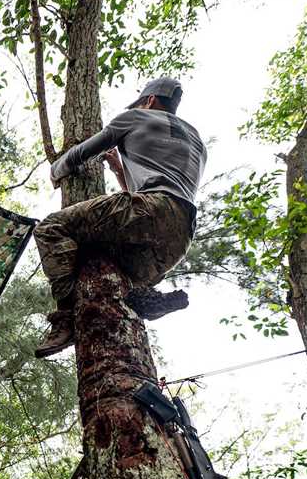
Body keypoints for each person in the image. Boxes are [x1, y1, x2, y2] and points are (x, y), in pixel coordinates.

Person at [33, 77, 206, 358]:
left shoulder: (134, 117)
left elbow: (83, 152)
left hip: (151, 211)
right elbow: (160, 189)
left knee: (50, 228)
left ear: (149, 101)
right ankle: (143, 297)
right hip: (180, 236)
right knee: (118, 276)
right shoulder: (197, 140)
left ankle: (66, 316)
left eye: (141, 102)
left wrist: (56, 170)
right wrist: (118, 172)